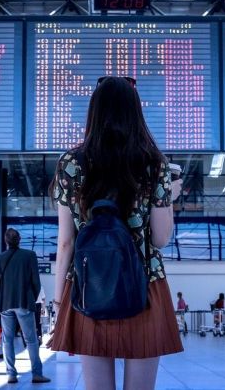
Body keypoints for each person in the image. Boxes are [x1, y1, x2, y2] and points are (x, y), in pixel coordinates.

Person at [48, 76, 183, 390]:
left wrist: (58, 302)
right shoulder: (154, 164)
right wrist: (168, 200)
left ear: (94, 112)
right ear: (135, 112)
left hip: (88, 285)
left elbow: (66, 241)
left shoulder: (71, 163)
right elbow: (161, 239)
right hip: (144, 286)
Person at [0, 228, 49, 385]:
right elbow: (36, 282)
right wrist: (32, 299)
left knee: (7, 340)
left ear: (5, 241)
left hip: (5, 304)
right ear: (19, 239)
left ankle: (11, 374)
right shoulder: (29, 256)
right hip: (24, 302)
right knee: (31, 340)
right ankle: (37, 374)